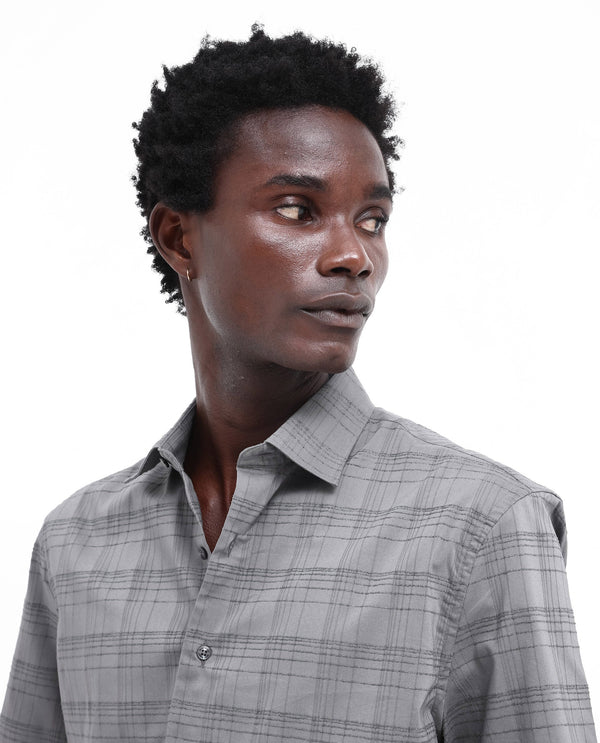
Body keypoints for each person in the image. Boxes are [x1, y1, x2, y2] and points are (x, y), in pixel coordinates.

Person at [0, 25, 596, 743]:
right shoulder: (75, 543)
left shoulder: (483, 528)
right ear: (179, 237)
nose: (354, 256)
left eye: (372, 220)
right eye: (296, 209)